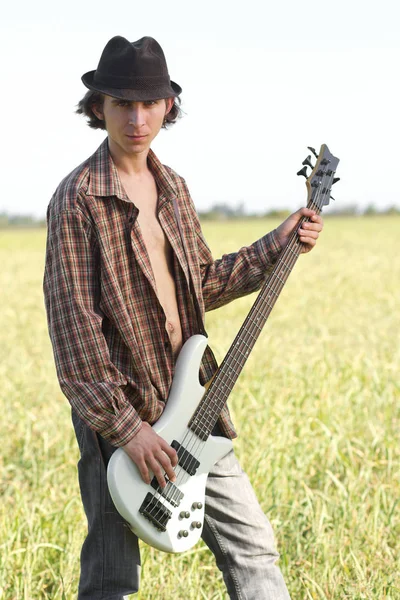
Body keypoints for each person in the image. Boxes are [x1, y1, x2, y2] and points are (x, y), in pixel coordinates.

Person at [43, 35, 323, 600]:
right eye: (122, 103)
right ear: (99, 107)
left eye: (149, 103)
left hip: (195, 408)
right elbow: (76, 343)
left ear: (168, 106)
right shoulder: (76, 199)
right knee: (109, 574)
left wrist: (280, 242)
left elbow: (205, 283)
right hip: (120, 418)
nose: (137, 118)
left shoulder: (174, 190)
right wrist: (128, 430)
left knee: (252, 546)